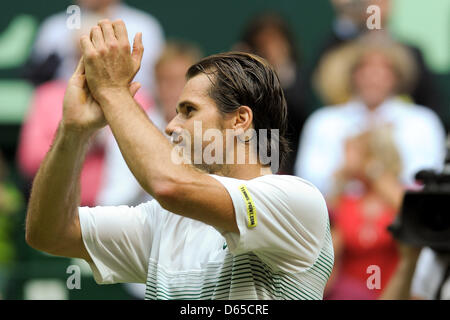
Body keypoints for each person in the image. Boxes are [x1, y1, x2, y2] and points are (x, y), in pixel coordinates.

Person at [25, 19, 334, 300]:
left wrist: (112, 91)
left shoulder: (296, 201)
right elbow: (49, 233)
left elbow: (168, 184)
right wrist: (73, 132)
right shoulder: (162, 221)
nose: (171, 126)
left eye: (188, 111)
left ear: (240, 120)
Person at [295, 37, 447, 197]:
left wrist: (373, 169)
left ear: (397, 76)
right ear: (352, 74)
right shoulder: (324, 122)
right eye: (364, 68)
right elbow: (307, 184)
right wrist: (345, 171)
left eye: (384, 69)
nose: (373, 76)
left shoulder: (422, 122)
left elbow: (428, 182)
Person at [96, 40, 203, 207]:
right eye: (164, 81)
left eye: (180, 81)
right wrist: (149, 173)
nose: (172, 89)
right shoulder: (129, 131)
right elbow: (109, 203)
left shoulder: (213, 129)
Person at [325, 127, 404, 299]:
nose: (343, 160)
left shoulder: (396, 198)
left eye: (350, 152)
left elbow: (407, 211)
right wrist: (339, 180)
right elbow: (327, 252)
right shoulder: (345, 202)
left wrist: (371, 169)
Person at [24, 0, 164, 92]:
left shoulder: (143, 26)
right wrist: (71, 51)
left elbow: (152, 82)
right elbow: (38, 81)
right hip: (63, 110)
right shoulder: (54, 27)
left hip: (128, 105)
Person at [236, 12, 309, 175]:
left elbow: (297, 113)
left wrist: (280, 70)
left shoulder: (302, 78)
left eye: (276, 43)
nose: (271, 51)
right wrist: (240, 69)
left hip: (292, 159)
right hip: (250, 158)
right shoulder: (246, 82)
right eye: (262, 46)